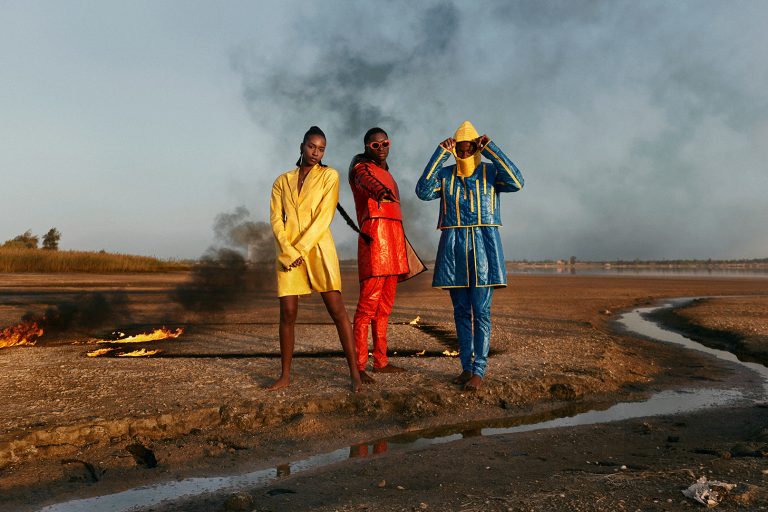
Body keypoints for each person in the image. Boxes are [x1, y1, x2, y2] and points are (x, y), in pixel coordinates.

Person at [415, 121, 524, 391]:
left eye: (470, 148)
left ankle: (479, 369)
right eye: (460, 150)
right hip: (454, 247)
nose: (464, 154)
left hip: (484, 245)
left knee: (482, 310)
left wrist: (492, 149)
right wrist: (440, 153)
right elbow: (422, 191)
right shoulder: (446, 174)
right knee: (461, 311)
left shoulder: (490, 172)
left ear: (477, 146)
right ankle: (466, 367)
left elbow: (517, 182)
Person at [267, 126, 363, 392]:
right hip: (287, 252)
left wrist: (300, 249)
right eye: (312, 146)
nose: (316, 152)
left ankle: (355, 374)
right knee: (287, 313)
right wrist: (289, 251)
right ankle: (285, 376)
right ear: (302, 146)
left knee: (337, 311)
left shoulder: (329, 176)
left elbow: (325, 216)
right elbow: (276, 219)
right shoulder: (282, 181)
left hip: (319, 248)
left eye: (321, 149)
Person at [348, 127, 425, 383]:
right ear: (367, 147)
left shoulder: (388, 174)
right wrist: (379, 191)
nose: (381, 148)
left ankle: (380, 361)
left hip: (393, 243)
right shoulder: (360, 168)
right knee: (367, 308)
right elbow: (365, 182)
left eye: (385, 144)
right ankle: (359, 366)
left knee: (384, 309)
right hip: (375, 240)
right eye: (375, 145)